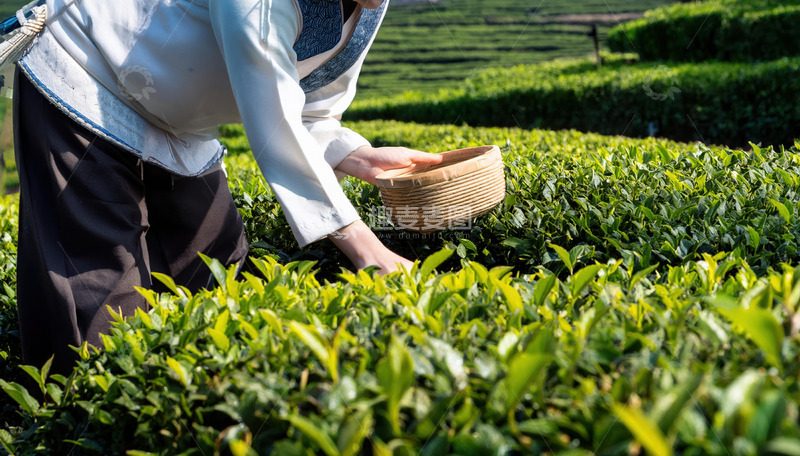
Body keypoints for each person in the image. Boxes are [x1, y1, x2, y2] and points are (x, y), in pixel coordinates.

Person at [9, 0, 442, 373]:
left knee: (216, 277)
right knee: (98, 301)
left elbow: (313, 110)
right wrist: (367, 250)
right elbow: (273, 115)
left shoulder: (368, 7)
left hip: (179, 123)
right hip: (89, 73)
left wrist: (353, 155)